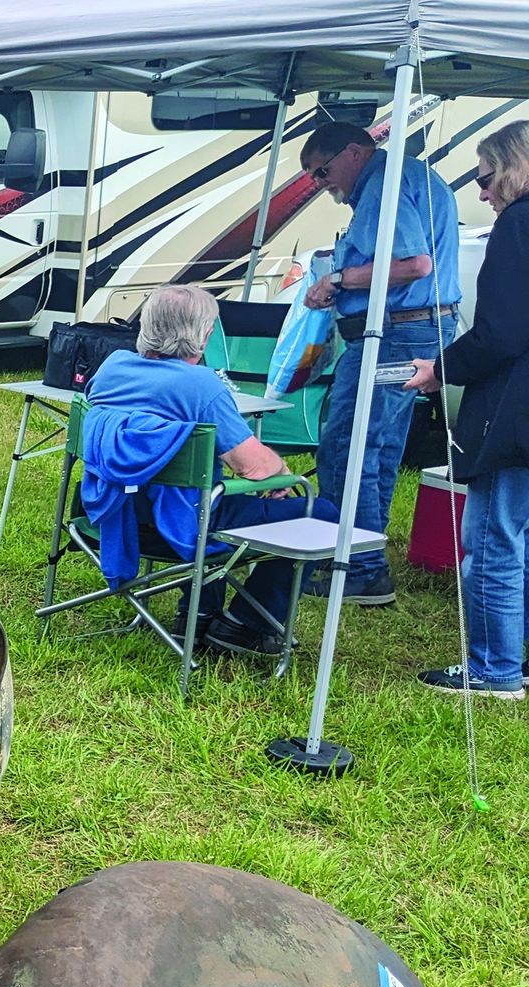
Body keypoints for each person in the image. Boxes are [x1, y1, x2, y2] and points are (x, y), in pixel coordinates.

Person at [82, 285, 337, 655]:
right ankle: (246, 625)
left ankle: (198, 614)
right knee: (321, 513)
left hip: (110, 512)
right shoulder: (201, 386)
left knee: (199, 489)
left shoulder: (112, 368)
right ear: (202, 335)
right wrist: (279, 468)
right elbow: (255, 467)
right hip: (183, 525)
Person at [295, 120, 462, 606]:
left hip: (396, 332)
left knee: (348, 444)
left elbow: (414, 264)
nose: (320, 186)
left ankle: (360, 567)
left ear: (353, 153)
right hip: (421, 327)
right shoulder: (407, 176)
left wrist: (340, 279)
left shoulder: (383, 185)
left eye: (321, 172)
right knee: (381, 446)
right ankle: (360, 553)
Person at [404, 122, 529, 700]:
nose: (482, 193)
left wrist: (439, 369)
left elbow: (501, 332)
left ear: (511, 166)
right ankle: (515, 661)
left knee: (494, 539)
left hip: (515, 413)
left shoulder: (518, 226)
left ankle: (494, 668)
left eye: (484, 177)